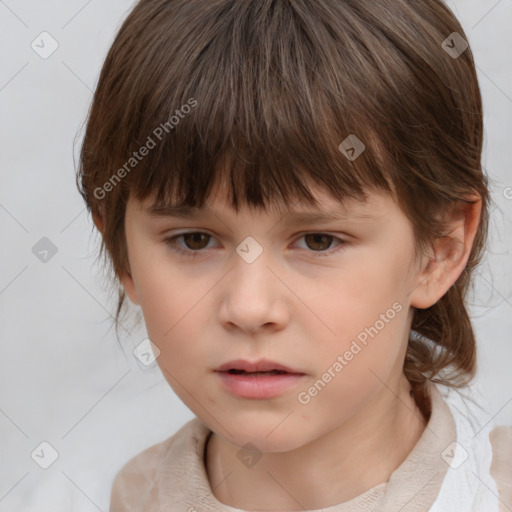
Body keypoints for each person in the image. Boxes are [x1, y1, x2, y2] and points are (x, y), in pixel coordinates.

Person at [76, 0, 512, 510]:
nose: (250, 308)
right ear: (122, 253)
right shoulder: (132, 497)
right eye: (194, 240)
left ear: (440, 249)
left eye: (318, 241)